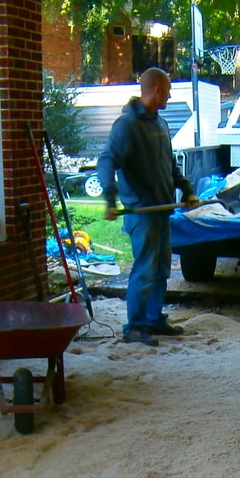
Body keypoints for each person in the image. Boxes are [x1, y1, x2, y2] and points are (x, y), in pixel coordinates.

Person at [98, 68, 201, 346]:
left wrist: (187, 189)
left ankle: (154, 320)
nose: (169, 94)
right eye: (167, 89)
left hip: (162, 209)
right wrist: (110, 198)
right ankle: (135, 327)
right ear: (156, 89)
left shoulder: (161, 124)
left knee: (161, 269)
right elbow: (107, 160)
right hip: (141, 212)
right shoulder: (127, 125)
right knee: (144, 270)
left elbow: (170, 166)